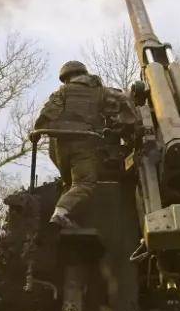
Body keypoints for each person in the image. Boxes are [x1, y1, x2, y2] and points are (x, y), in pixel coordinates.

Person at [34, 60, 136, 228]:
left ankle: (70, 219)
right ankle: (60, 213)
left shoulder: (62, 92)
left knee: (69, 183)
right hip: (84, 142)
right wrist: (128, 126)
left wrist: (38, 132)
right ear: (84, 73)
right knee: (84, 183)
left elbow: (45, 116)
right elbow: (124, 101)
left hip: (60, 147)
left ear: (67, 78)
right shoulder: (100, 91)